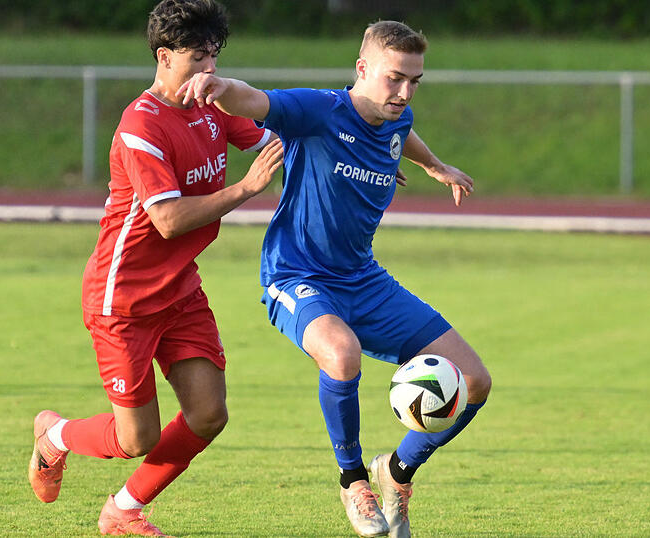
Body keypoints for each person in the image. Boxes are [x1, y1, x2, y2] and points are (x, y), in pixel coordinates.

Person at [177, 19, 492, 538]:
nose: (404, 92)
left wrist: (436, 166)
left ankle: (397, 472)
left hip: (363, 279)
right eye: (394, 78)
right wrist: (218, 87)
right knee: (341, 354)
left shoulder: (396, 116)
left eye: (414, 81)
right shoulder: (320, 110)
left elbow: (402, 130)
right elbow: (254, 100)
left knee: (475, 382)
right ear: (361, 69)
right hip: (296, 274)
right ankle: (353, 481)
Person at [26, 1, 282, 536]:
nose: (209, 70)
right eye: (197, 58)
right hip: (123, 299)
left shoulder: (213, 105)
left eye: (215, 57)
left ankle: (122, 511)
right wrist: (245, 189)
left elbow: (280, 146)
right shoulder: (140, 124)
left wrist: (364, 158)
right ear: (164, 57)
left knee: (209, 414)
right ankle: (56, 435)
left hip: (180, 289)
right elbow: (166, 220)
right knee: (135, 439)